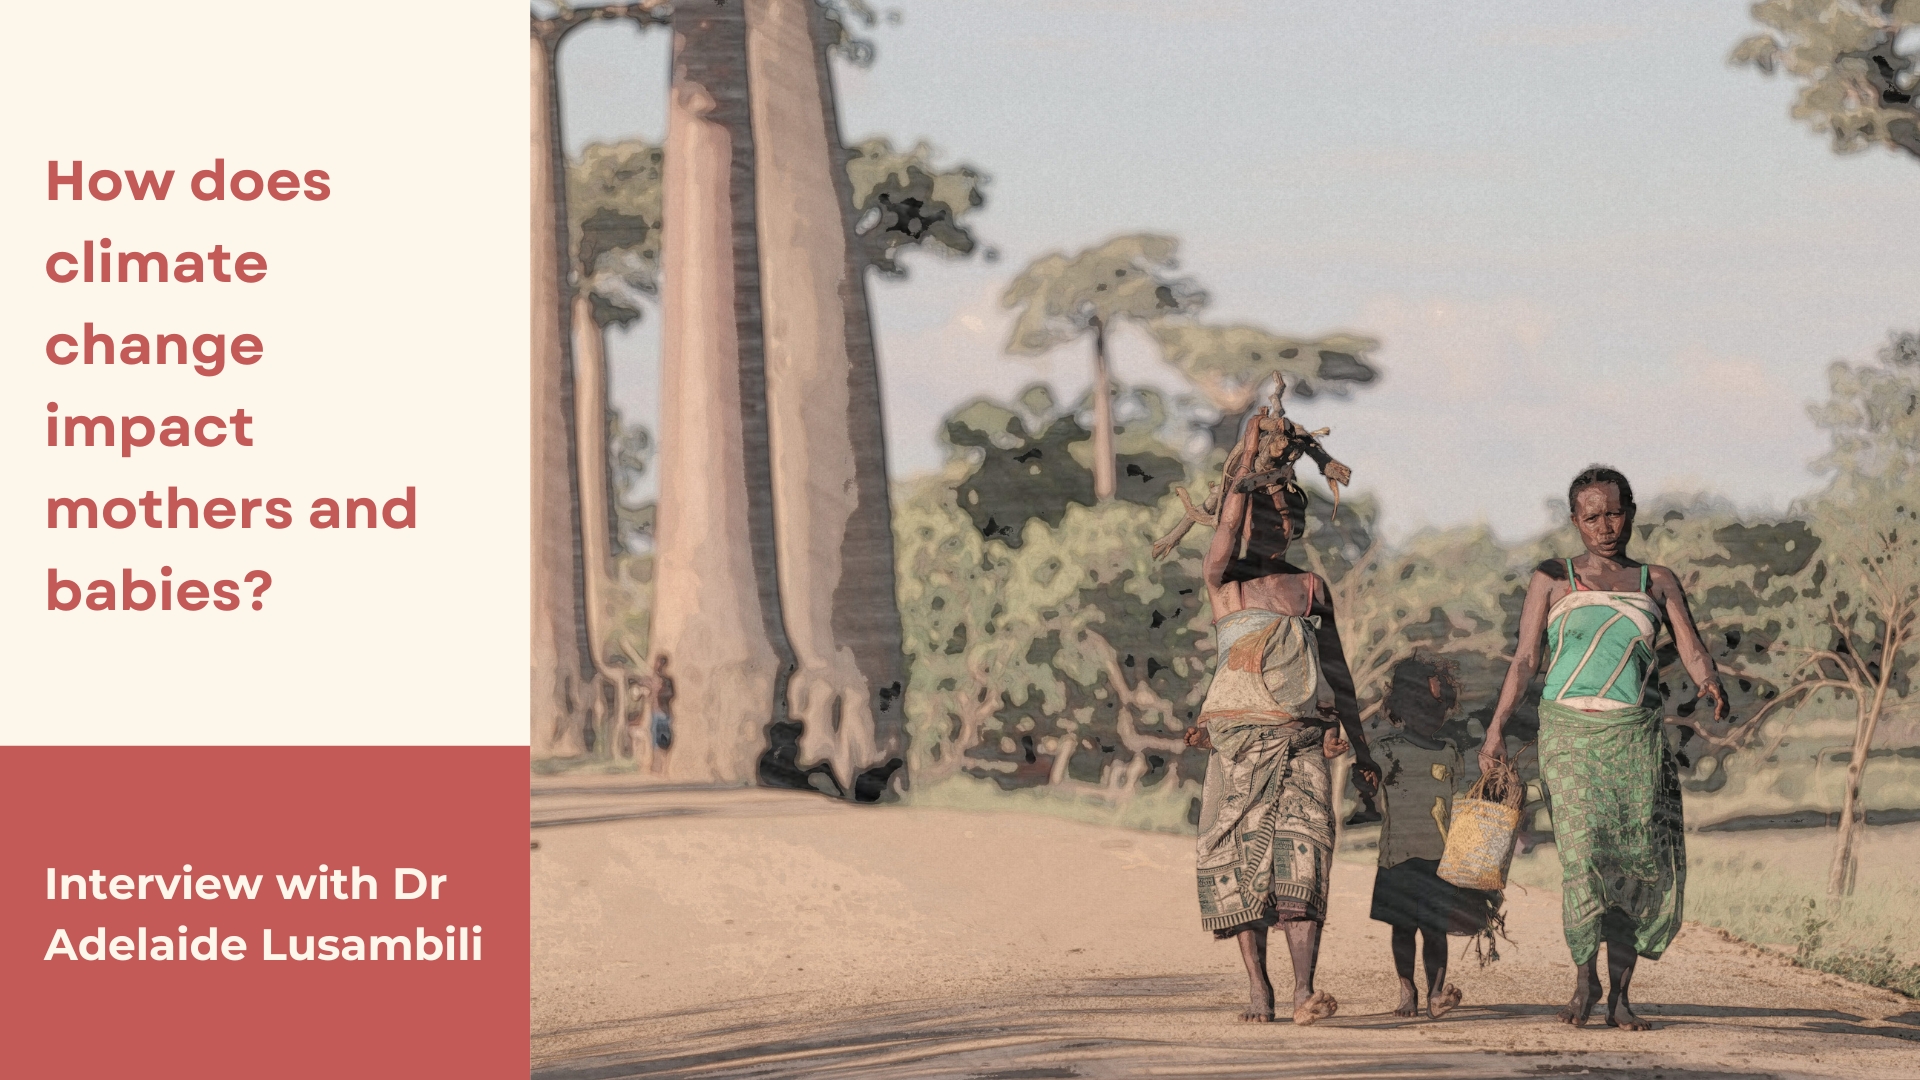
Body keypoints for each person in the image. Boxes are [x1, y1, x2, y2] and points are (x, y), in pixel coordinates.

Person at [1480, 466, 1729, 1030]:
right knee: (1585, 856)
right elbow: (1524, 660)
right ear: (1575, 521)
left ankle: (1619, 994)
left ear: (1631, 512)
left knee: (1634, 864)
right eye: (1591, 516)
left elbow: (1690, 647)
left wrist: (1709, 680)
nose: (1605, 526)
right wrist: (1496, 727)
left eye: (1613, 512)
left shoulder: (1656, 580)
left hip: (1635, 738)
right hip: (1568, 734)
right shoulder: (1552, 577)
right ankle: (1582, 977)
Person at [1183, 423, 1379, 1025]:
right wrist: (1250, 450)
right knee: (1243, 868)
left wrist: (1363, 748)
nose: (1275, 531)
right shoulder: (1227, 586)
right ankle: (1259, 991)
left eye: (1286, 523)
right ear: (1242, 524)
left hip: (1302, 744)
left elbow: (1338, 671)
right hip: (1239, 748)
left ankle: (1303, 991)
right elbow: (1221, 539)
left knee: (1306, 857)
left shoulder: (1311, 588)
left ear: (1298, 528)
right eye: (1261, 523)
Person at [1368, 651, 1500, 1019]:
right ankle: (1407, 989)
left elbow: (1455, 797)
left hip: (1440, 859)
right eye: (1423, 705)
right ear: (1403, 707)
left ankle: (1437, 992)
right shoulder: (1386, 751)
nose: (1432, 713)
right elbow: (1368, 785)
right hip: (1398, 857)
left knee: (1434, 929)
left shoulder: (1449, 752)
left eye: (1438, 706)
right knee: (1402, 929)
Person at [645, 655, 675, 775]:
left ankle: (664, 767)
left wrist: (661, 691)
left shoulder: (667, 681)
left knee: (664, 740)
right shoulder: (652, 680)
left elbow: (671, 694)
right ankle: (655, 766)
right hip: (654, 713)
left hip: (664, 713)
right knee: (654, 740)